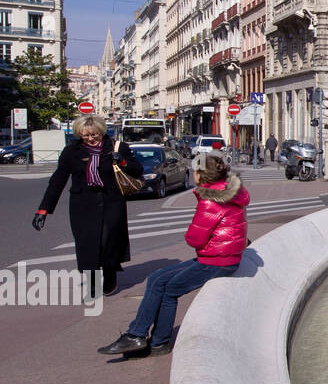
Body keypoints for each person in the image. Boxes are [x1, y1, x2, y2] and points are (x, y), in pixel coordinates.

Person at [97, 153, 249, 357]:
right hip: (219, 258)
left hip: (217, 261)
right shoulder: (229, 192)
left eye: (195, 170)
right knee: (156, 278)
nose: (192, 173)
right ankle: (139, 336)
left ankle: (156, 341)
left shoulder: (211, 201)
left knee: (169, 289)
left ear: (201, 175)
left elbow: (194, 239)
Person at [33, 114, 143, 297]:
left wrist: (122, 161)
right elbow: (58, 181)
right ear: (79, 135)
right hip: (82, 206)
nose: (91, 139)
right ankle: (92, 282)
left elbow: (137, 169)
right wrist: (44, 209)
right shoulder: (71, 152)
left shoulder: (117, 147)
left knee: (109, 242)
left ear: (101, 132)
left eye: (94, 135)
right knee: (86, 245)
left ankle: (110, 275)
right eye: (86, 136)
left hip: (111, 203)